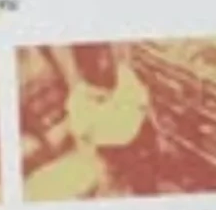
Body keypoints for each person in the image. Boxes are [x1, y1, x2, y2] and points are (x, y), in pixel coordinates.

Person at [61, 43, 156, 195]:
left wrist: (154, 128)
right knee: (138, 177)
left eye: (106, 56)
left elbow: (144, 103)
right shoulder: (79, 100)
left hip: (138, 138)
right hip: (114, 150)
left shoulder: (124, 75)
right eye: (96, 60)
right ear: (82, 69)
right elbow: (83, 141)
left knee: (147, 167)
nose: (104, 63)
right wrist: (101, 171)